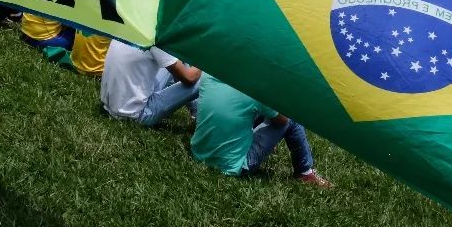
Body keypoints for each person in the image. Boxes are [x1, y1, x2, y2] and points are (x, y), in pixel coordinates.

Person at [190, 73, 330, 185]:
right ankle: (304, 172)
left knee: (250, 111)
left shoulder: (208, 74)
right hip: (234, 166)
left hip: (199, 153)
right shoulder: (253, 89)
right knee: (292, 119)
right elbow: (283, 121)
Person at [100, 39, 201, 127]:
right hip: (135, 114)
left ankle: (195, 110)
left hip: (109, 105)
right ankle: (198, 114)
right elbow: (190, 79)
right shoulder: (155, 40)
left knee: (177, 60)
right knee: (202, 80)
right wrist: (207, 60)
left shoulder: (129, 28)